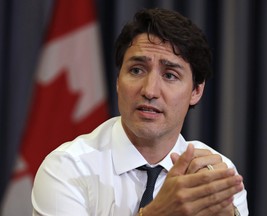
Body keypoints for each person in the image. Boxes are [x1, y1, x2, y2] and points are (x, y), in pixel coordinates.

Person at [32, 8, 248, 216]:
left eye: (170, 75)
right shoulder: (67, 168)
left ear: (196, 91)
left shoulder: (215, 175)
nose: (149, 91)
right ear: (118, 81)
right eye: (136, 70)